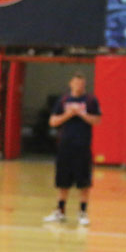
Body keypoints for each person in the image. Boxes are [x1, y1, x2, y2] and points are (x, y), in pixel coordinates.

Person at [43, 72, 101, 226]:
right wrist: (68, 114)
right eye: (76, 83)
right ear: (71, 84)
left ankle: (82, 212)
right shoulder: (63, 100)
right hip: (65, 146)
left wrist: (82, 114)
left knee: (84, 182)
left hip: (82, 146)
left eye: (82, 84)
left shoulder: (90, 100)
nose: (79, 86)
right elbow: (53, 122)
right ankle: (60, 211)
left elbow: (97, 120)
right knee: (63, 181)